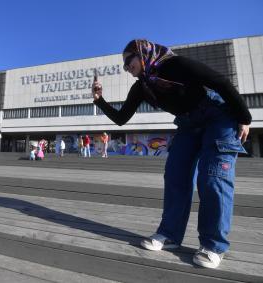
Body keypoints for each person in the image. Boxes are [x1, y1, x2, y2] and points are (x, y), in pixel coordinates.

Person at [93, 39, 251, 269]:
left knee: (212, 177)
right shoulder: (142, 86)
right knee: (175, 174)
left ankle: (213, 245)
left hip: (217, 116)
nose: (127, 68)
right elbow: (121, 118)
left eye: (129, 61)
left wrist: (244, 118)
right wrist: (99, 101)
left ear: (142, 53)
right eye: (124, 66)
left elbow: (219, 81)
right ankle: (169, 235)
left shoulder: (174, 65)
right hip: (188, 124)